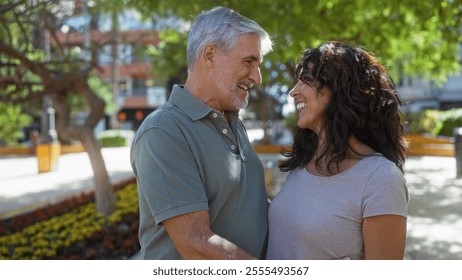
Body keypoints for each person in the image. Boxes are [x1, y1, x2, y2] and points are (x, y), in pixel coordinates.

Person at [130, 6, 273, 259]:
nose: (257, 77)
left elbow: (249, 208)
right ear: (210, 55)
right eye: (249, 62)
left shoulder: (232, 120)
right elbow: (196, 245)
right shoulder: (163, 130)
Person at [267, 41, 409, 260]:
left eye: (306, 80)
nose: (293, 92)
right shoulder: (303, 162)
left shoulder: (381, 178)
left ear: (339, 89)